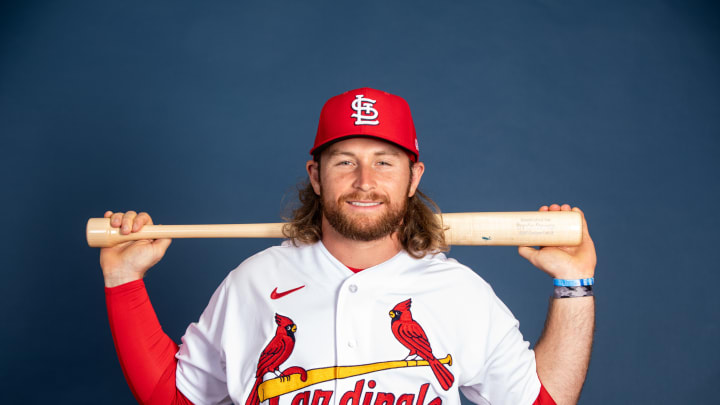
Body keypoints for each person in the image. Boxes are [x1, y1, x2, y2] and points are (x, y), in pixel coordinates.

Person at [100, 88, 596, 405]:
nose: (364, 182)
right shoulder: (253, 282)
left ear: (412, 176)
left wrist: (574, 286)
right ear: (316, 176)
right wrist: (124, 281)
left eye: (384, 162)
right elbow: (173, 397)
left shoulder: (460, 292)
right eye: (344, 162)